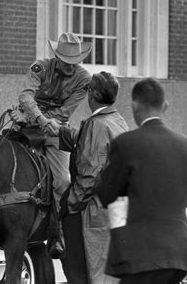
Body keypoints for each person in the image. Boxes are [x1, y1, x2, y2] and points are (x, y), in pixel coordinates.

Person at [94, 77, 187, 284]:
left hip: (140, 256)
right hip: (181, 254)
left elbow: (106, 193)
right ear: (165, 105)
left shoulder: (126, 144)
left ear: (135, 105)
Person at [10, 32, 92, 259]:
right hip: (29, 123)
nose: (70, 66)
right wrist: (36, 118)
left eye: (75, 62)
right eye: (66, 61)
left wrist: (42, 121)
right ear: (57, 57)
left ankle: (58, 232)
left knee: (63, 179)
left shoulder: (85, 79)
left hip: (56, 130)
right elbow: (26, 96)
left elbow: (66, 111)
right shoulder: (40, 68)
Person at [50, 71, 128, 283]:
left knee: (86, 271)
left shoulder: (96, 125)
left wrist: (68, 205)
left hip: (94, 209)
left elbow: (89, 175)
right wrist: (60, 130)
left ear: (92, 94)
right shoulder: (117, 120)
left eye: (87, 89)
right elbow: (93, 143)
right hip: (118, 208)